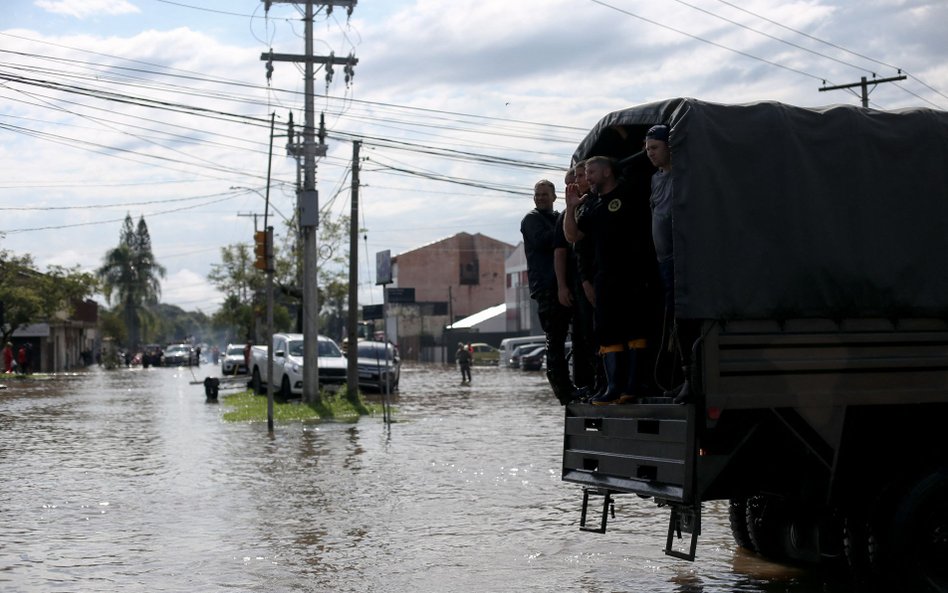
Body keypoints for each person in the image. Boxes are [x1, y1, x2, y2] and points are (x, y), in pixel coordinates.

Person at [565, 156, 656, 405]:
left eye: (591, 171)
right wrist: (572, 207)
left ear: (607, 172)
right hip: (604, 278)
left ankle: (634, 386)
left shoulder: (630, 193)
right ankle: (613, 387)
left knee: (635, 329)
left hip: (634, 274)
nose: (587, 176)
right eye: (585, 172)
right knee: (607, 332)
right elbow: (573, 236)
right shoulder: (592, 204)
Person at [645, 124, 692, 404]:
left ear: (669, 147)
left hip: (681, 257)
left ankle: (691, 379)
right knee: (673, 321)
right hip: (662, 259)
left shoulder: (683, 176)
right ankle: (679, 378)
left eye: (655, 148)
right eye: (647, 149)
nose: (650, 153)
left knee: (685, 319)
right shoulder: (655, 179)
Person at [521, 179, 575, 405]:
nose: (540, 197)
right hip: (546, 288)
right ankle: (563, 391)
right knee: (555, 339)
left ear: (554, 197)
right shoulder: (531, 220)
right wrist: (570, 222)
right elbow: (547, 241)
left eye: (544, 194)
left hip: (567, 286)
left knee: (574, 337)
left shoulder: (557, 218)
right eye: (537, 194)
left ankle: (577, 383)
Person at [555, 165, 597, 398]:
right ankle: (590, 382)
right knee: (584, 335)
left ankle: (602, 382)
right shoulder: (567, 215)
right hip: (580, 282)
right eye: (570, 182)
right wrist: (563, 285)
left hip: (595, 276)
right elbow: (562, 249)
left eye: (578, 178)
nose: (574, 185)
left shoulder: (593, 205)